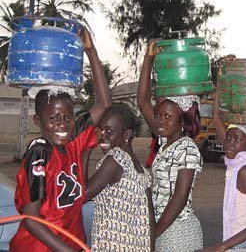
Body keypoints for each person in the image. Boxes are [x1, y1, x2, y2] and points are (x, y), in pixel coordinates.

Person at [10, 29, 112, 251]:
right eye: (53, 119)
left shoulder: (74, 141)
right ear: (38, 120)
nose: (62, 124)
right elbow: (31, 220)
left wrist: (91, 51)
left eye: (67, 117)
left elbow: (104, 103)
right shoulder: (39, 154)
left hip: (71, 242)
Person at [137, 40, 203, 251]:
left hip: (177, 230)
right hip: (161, 227)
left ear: (182, 120)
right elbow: (142, 102)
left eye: (168, 117)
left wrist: (154, 234)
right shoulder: (165, 142)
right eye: (158, 115)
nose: (160, 121)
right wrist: (148, 58)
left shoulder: (187, 148)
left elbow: (180, 198)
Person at [201, 93, 246, 251]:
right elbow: (216, 119)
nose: (229, 143)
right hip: (241, 243)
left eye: (236, 139)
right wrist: (219, 86)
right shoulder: (239, 160)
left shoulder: (245, 170)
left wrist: (221, 247)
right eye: (228, 138)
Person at [84, 103, 155, 251]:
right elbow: (150, 220)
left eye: (109, 131)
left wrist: (86, 149)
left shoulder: (116, 160)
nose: (102, 136)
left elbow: (82, 194)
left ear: (126, 135)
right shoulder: (141, 170)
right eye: (100, 130)